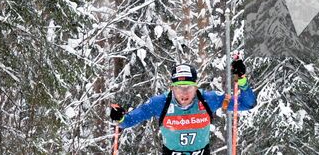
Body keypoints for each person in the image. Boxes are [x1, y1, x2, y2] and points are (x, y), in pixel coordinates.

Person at [109, 59, 255, 154]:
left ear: (196, 87)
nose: (184, 93)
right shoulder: (160, 103)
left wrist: (241, 80)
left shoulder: (208, 99)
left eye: (189, 87)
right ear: (171, 87)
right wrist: (120, 117)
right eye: (179, 87)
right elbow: (128, 121)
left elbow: (247, 104)